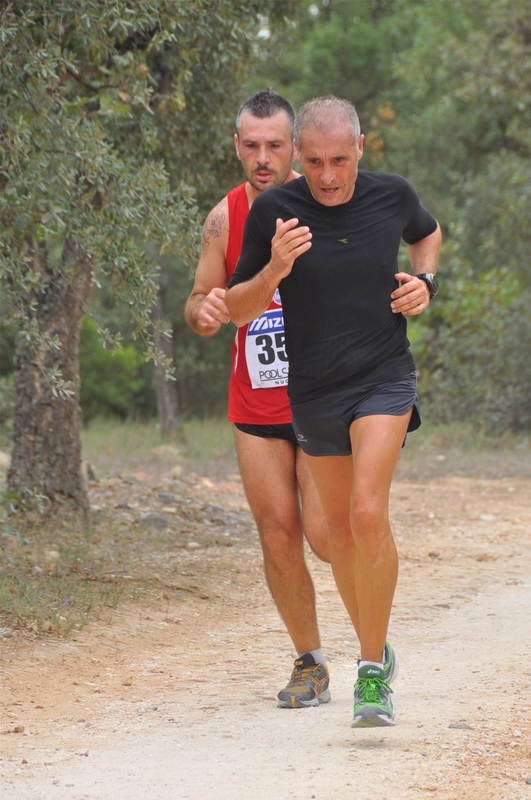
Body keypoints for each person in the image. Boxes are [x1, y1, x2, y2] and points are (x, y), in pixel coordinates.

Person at [225, 96, 442, 728]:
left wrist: (424, 284)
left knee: (367, 512)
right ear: (298, 156)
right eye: (314, 162)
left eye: (339, 161)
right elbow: (238, 308)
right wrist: (275, 268)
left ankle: (370, 672)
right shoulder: (274, 211)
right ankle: (379, 646)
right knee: (338, 536)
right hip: (313, 392)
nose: (325, 176)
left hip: (382, 377)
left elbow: (426, 234)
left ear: (361, 149)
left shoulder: (391, 194)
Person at [184, 90, 331, 709]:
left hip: (324, 400)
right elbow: (196, 302)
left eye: (276, 145)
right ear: (236, 145)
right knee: (277, 534)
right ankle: (312, 663)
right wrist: (206, 310)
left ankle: (375, 640)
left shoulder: (325, 203)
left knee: (329, 536)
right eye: (252, 146)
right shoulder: (224, 215)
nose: (263, 158)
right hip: (255, 404)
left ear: (295, 146)